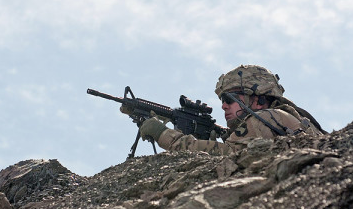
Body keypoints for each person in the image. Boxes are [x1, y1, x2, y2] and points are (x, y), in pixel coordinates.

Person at [139, 64, 325, 155]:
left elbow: (228, 154)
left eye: (230, 98)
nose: (223, 105)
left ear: (258, 99)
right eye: (222, 99)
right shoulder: (285, 116)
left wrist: (163, 134)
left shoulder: (264, 117)